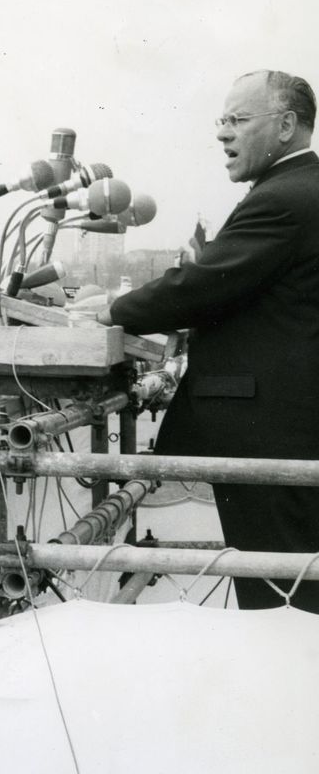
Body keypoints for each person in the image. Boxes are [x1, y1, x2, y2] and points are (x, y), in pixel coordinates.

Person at [99, 69, 319, 610]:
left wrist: (108, 311)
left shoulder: (285, 198)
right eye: (221, 119)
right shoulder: (298, 189)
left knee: (281, 602)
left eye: (238, 120)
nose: (223, 134)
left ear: (287, 125)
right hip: (289, 430)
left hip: (271, 435)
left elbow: (205, 285)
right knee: (296, 590)